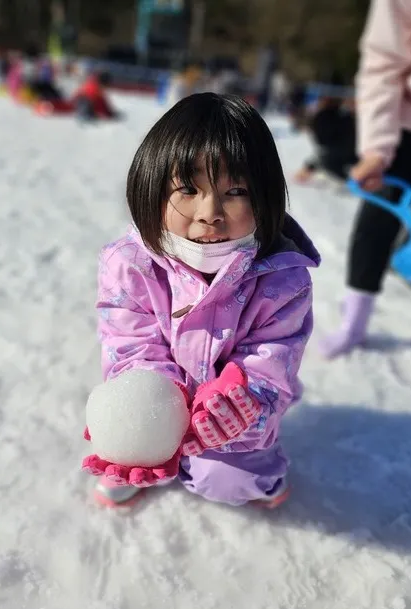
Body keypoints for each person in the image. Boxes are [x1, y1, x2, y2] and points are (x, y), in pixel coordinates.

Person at [82, 93, 320, 508]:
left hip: (233, 423)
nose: (210, 212)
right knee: (134, 439)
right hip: (164, 399)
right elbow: (129, 342)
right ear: (152, 186)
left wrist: (241, 406)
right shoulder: (131, 264)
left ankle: (264, 477)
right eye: (189, 188)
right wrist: (152, 409)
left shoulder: (284, 279)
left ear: (263, 197)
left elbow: (274, 361)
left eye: (236, 191)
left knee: (226, 481)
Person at [318, 0, 411, 403]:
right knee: (376, 218)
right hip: (409, 120)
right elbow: (384, 59)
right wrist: (376, 147)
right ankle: (355, 321)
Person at [293, 95, 357, 185]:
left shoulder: (326, 117)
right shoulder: (342, 115)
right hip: (351, 152)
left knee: (328, 161)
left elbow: (326, 149)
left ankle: (352, 182)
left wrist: (309, 167)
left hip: (348, 153)